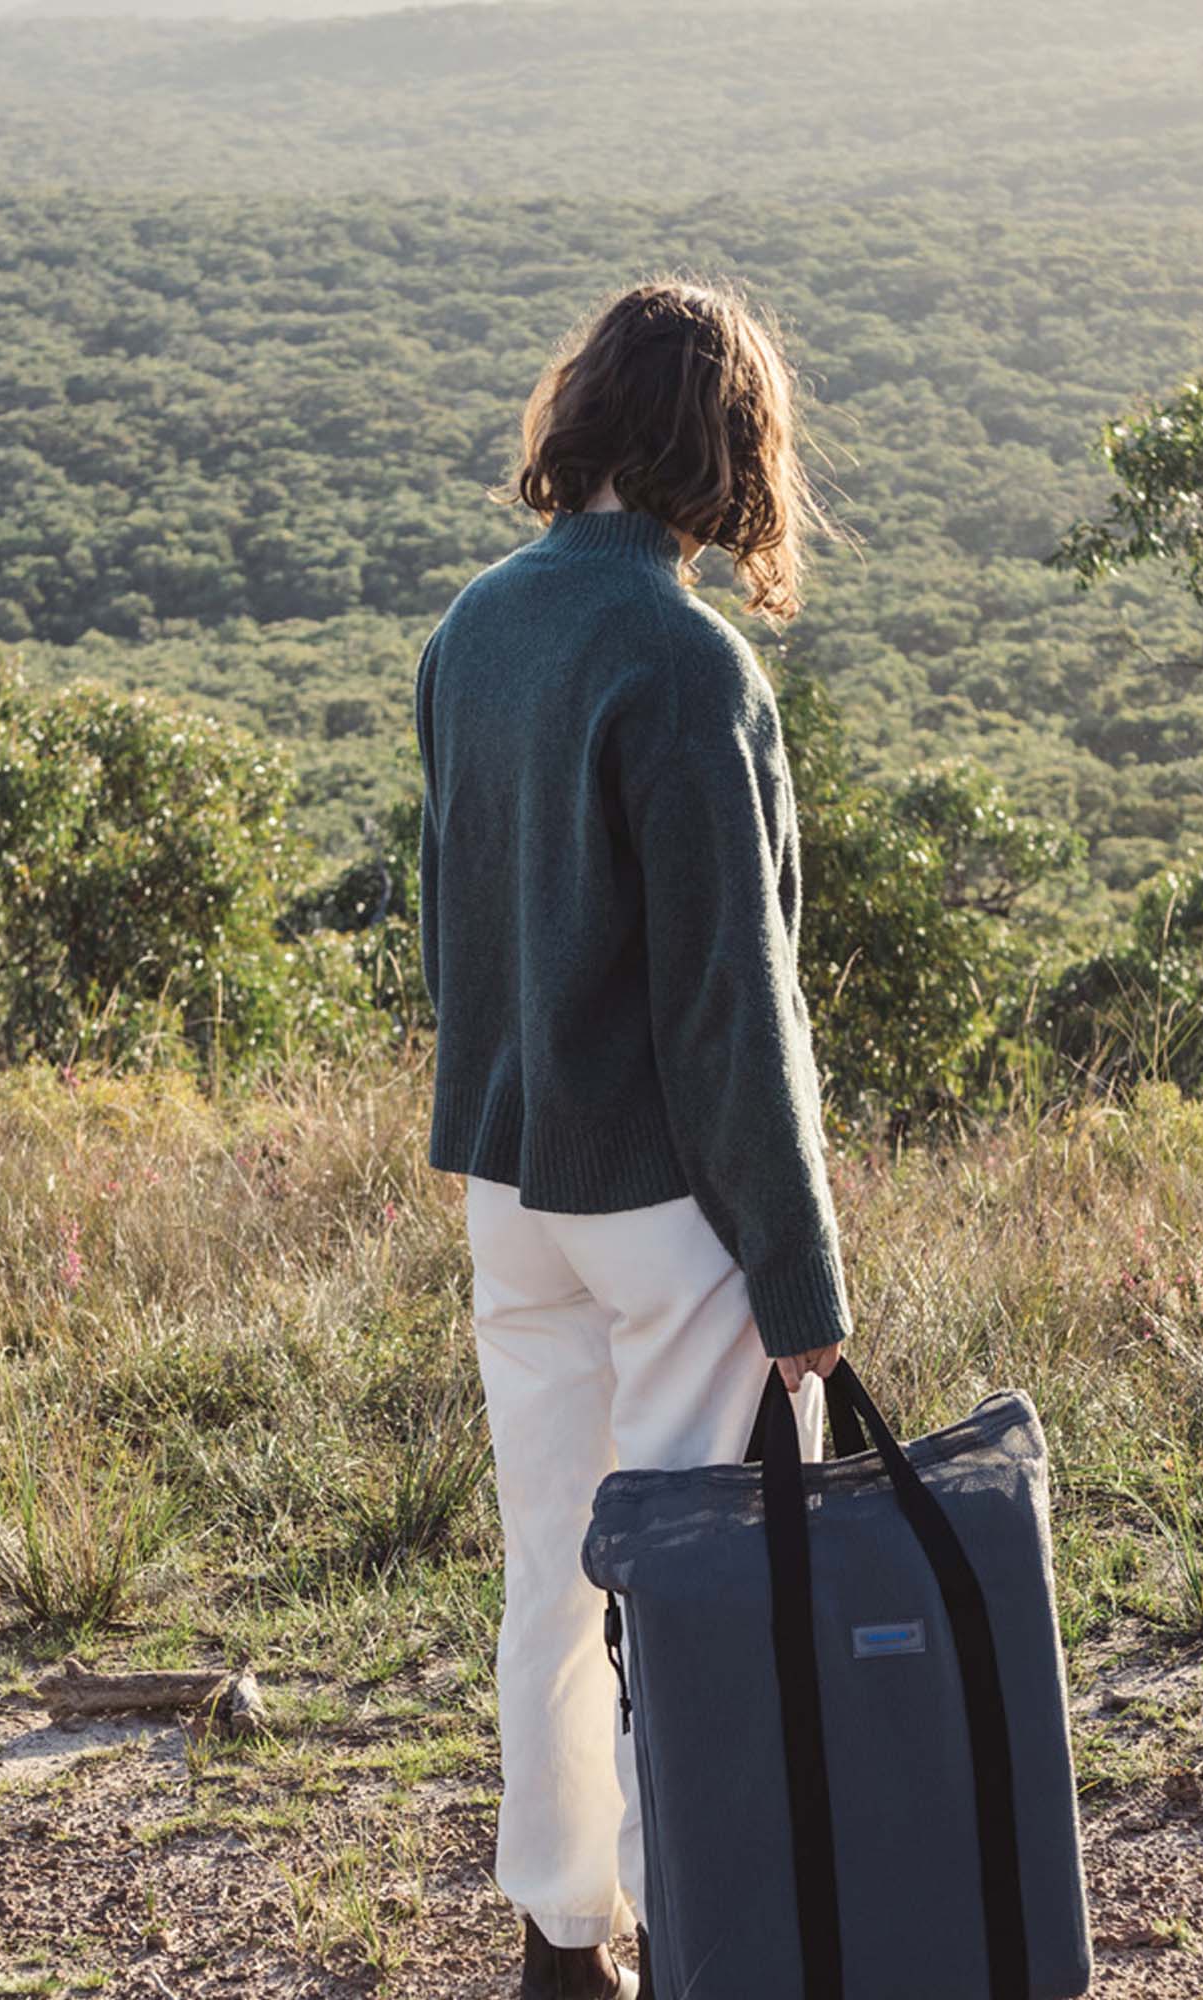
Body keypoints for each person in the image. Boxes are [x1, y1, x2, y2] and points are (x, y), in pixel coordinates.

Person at [413, 277, 854, 2000]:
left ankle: (558, 1931)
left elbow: (463, 924)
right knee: (700, 1586)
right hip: (665, 1202)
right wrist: (799, 1265)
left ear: (585, 415)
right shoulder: (687, 662)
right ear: (732, 447)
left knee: (554, 1568)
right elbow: (732, 1009)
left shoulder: (473, 628)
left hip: (511, 1185)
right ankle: (711, 1940)